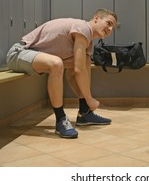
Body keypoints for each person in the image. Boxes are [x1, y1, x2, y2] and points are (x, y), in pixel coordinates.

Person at [6, 9, 117, 139]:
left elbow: (75, 72)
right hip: (18, 53)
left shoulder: (88, 40)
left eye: (112, 27)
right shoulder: (83, 28)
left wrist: (87, 100)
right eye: (108, 23)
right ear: (96, 18)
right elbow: (78, 71)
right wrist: (90, 99)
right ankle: (61, 120)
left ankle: (84, 112)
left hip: (36, 58)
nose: (110, 29)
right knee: (57, 64)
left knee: (85, 60)